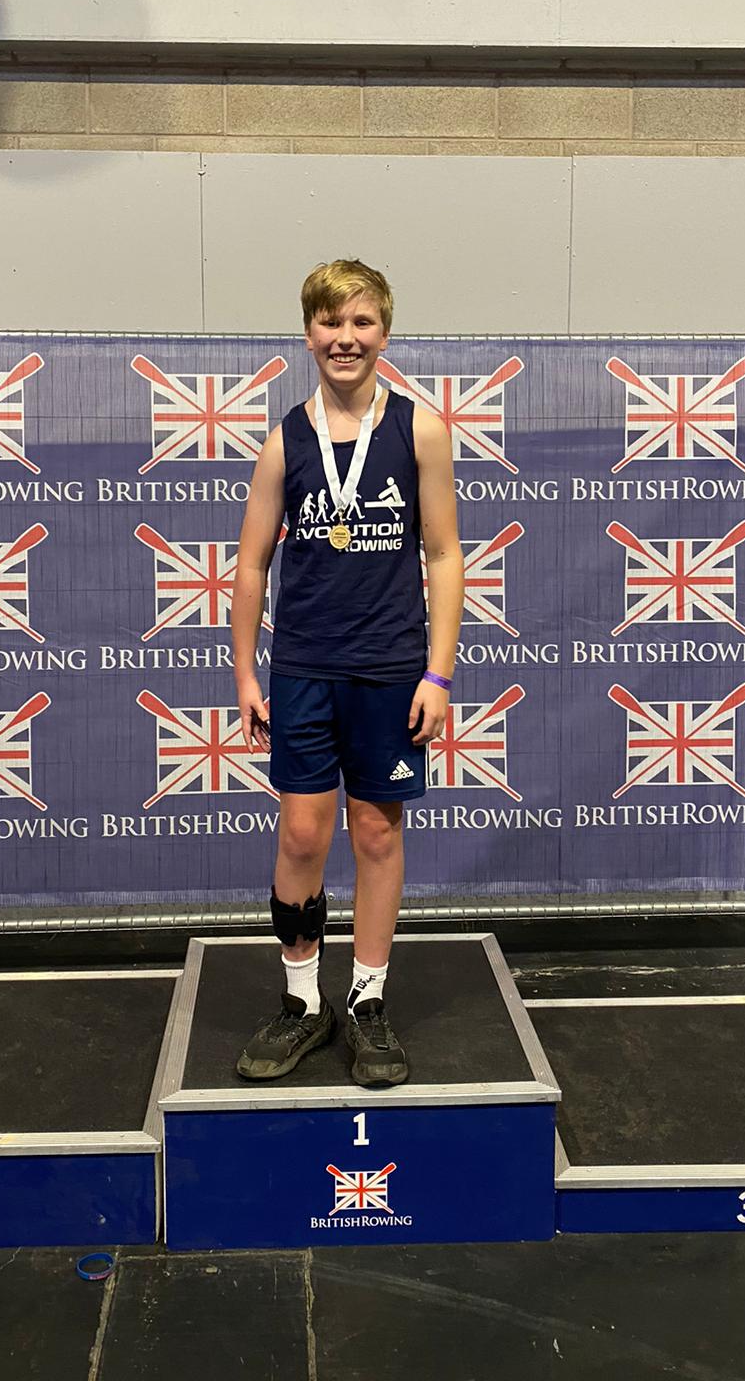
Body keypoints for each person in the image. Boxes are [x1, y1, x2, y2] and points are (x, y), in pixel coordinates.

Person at [230, 258, 464, 1087]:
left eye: (362, 324)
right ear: (308, 334)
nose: (346, 338)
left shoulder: (420, 429)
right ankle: (302, 1001)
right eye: (331, 323)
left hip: (392, 671)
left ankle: (367, 999)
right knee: (301, 834)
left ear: (384, 335)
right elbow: (253, 567)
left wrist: (437, 677)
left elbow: (443, 554)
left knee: (376, 831)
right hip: (303, 669)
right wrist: (246, 675)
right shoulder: (282, 441)